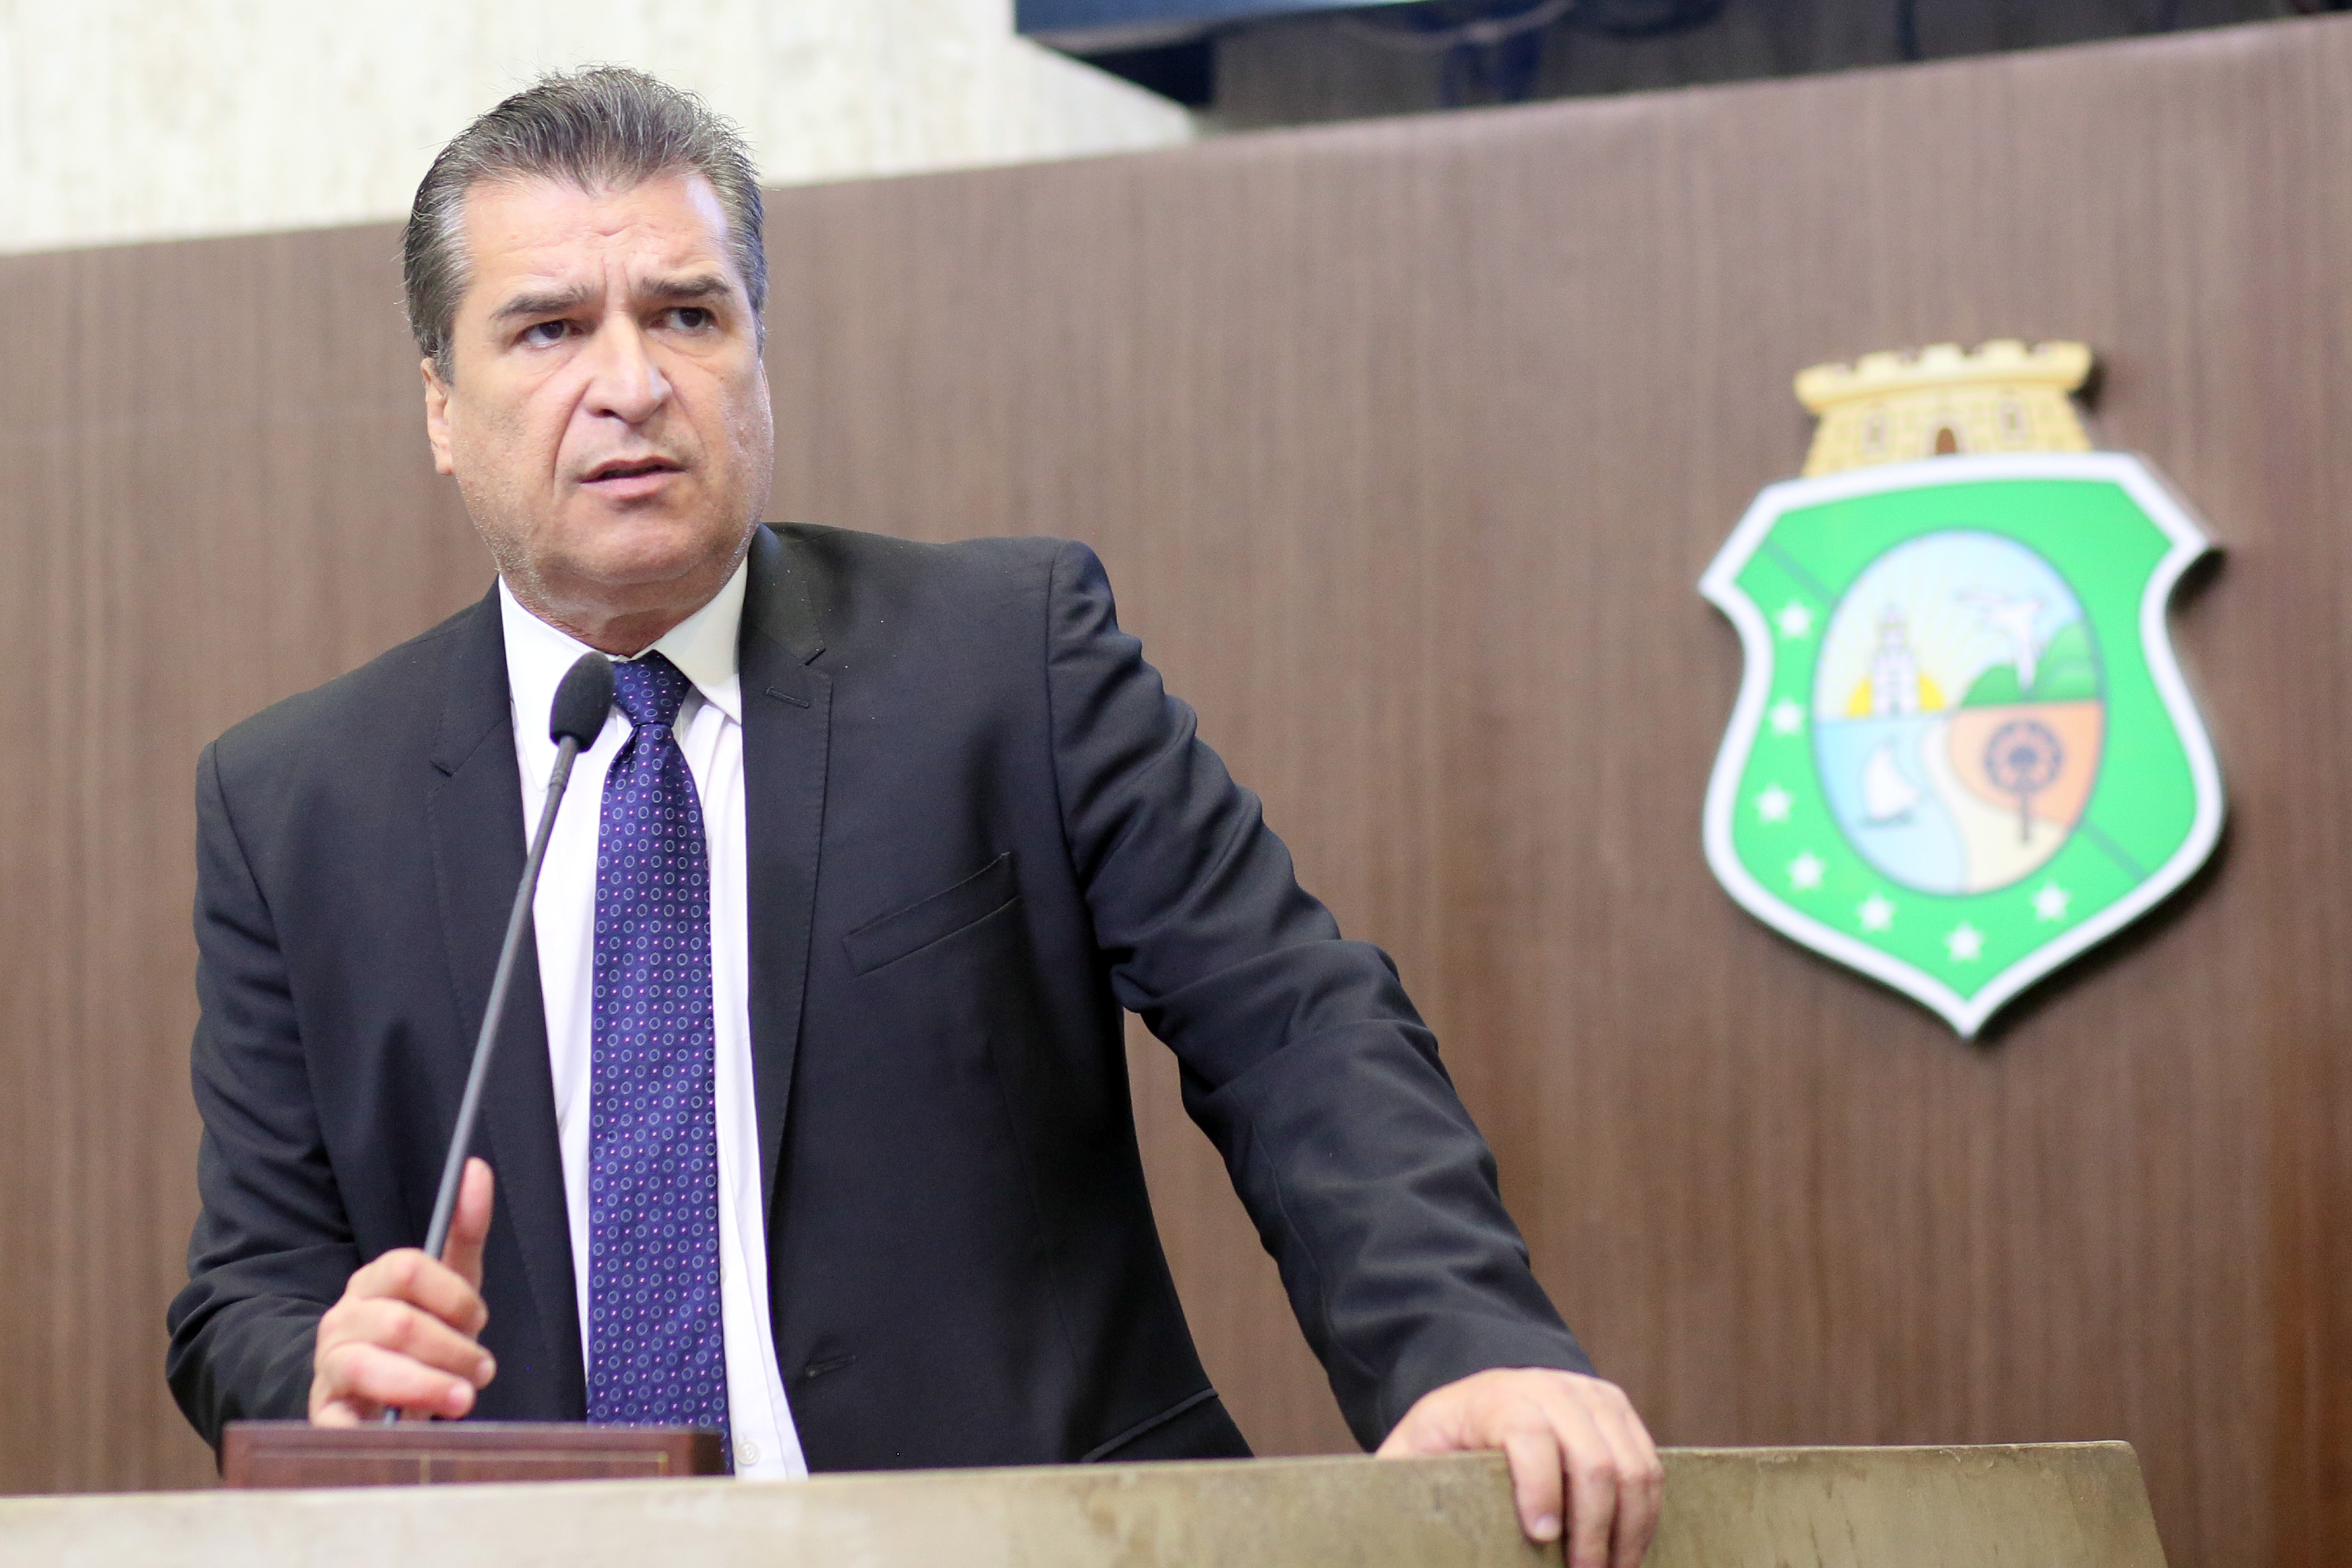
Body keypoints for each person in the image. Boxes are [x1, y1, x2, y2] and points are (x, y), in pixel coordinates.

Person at [165, 68, 1660, 1568]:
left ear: (758, 355)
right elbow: (245, 1293)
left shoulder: (1007, 658)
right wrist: (323, 1372)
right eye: (550, 329)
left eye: (688, 314)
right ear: (441, 405)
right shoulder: (295, 804)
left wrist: (1465, 1344)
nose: (632, 382)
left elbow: (1291, 1024)